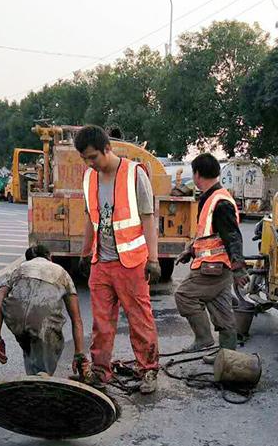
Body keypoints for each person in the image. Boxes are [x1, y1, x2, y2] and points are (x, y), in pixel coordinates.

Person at [75, 125, 161, 394]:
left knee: (139, 319)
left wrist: (154, 259)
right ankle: (101, 371)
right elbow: (91, 217)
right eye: (86, 159)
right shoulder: (90, 177)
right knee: (101, 322)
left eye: (93, 157)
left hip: (131, 262)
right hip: (101, 263)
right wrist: (85, 252)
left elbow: (148, 217)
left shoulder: (134, 174)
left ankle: (148, 370)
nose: (90, 163)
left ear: (107, 149)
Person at [174, 153, 248, 358]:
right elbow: (208, 234)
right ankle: (228, 359)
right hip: (218, 268)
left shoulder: (219, 202)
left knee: (184, 296)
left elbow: (233, 236)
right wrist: (190, 250)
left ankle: (203, 338)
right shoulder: (211, 198)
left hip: (213, 267)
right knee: (224, 315)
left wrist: (239, 268)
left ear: (197, 174)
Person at [0, 245, 91, 379]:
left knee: (28, 343)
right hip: (43, 321)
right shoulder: (60, 272)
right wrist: (79, 353)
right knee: (47, 351)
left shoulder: (18, 269)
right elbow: (76, 319)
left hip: (15, 319)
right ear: (49, 258)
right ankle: (42, 379)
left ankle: (33, 378)